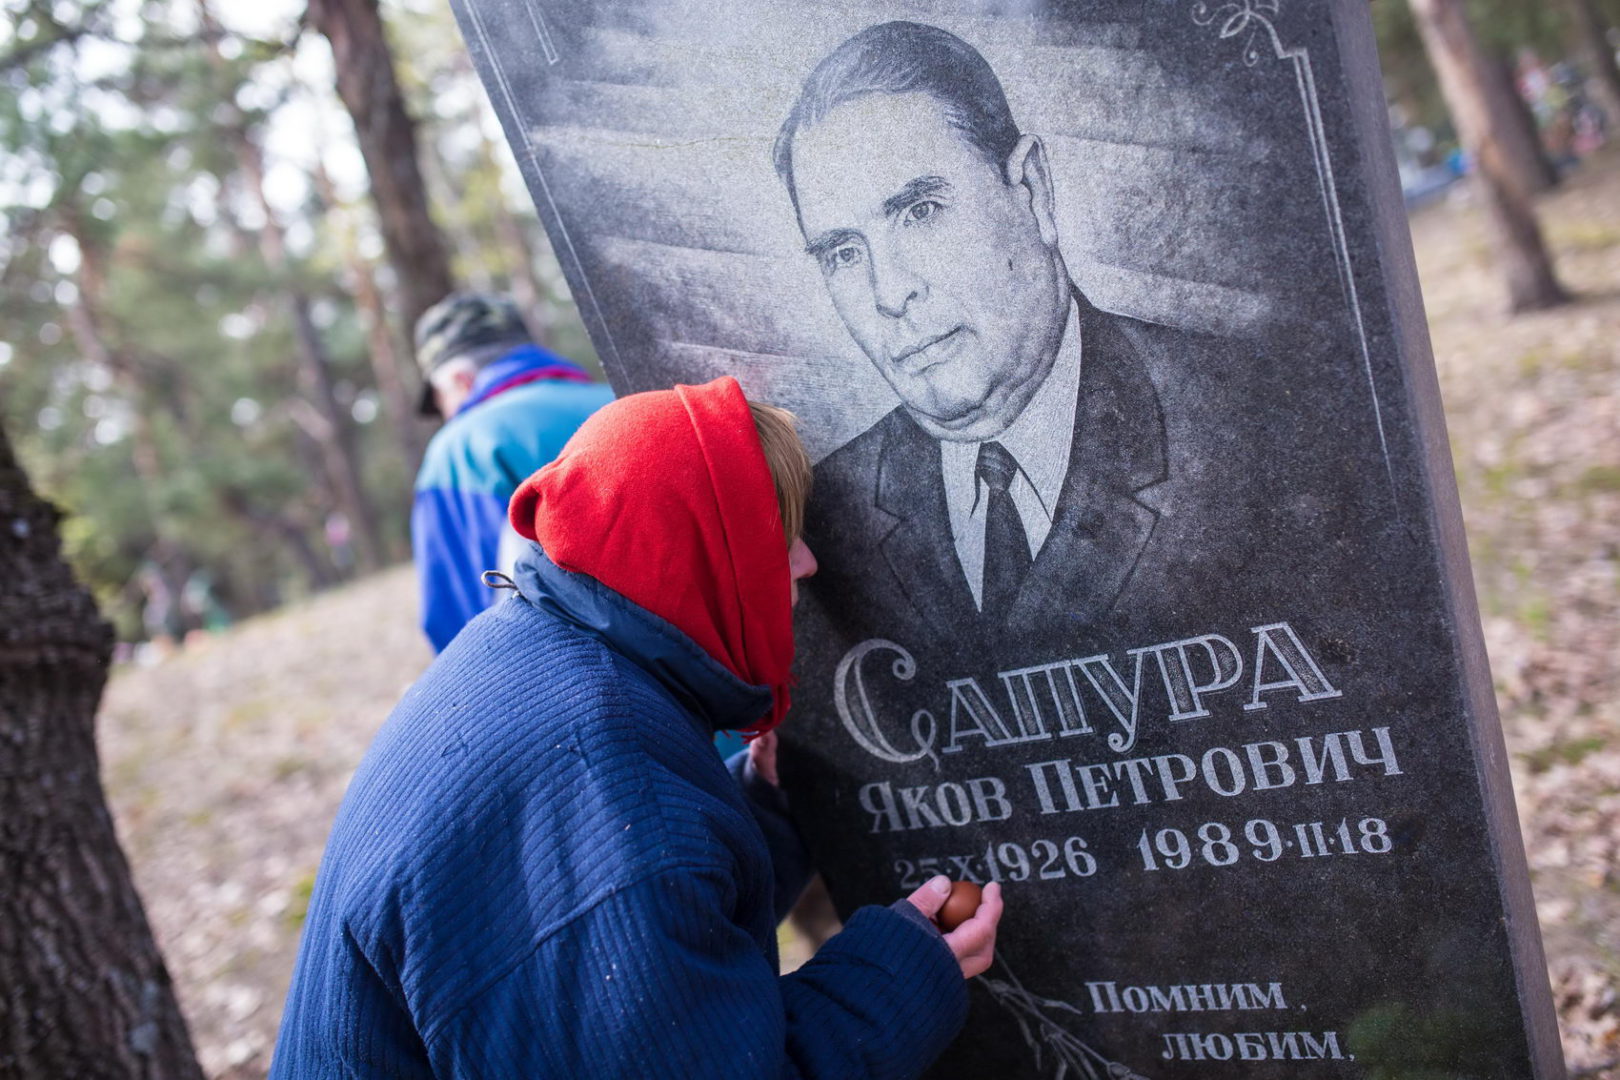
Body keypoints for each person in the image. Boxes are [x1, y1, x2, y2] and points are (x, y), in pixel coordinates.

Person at [270, 375, 1003, 1078]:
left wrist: (769, 804)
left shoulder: (543, 653)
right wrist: (902, 973)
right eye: (779, 537)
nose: (807, 565)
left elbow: (640, 935)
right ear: (715, 561)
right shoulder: (599, 766)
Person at [773, 21, 1261, 660]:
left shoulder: (1255, 414)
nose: (889, 294)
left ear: (1031, 190)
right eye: (842, 251)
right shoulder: (819, 520)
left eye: (919, 212)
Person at [410, 291, 614, 652]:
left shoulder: (458, 450)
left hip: (568, 680)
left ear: (460, 381)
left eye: (439, 400)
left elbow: (457, 616)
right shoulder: (619, 399)